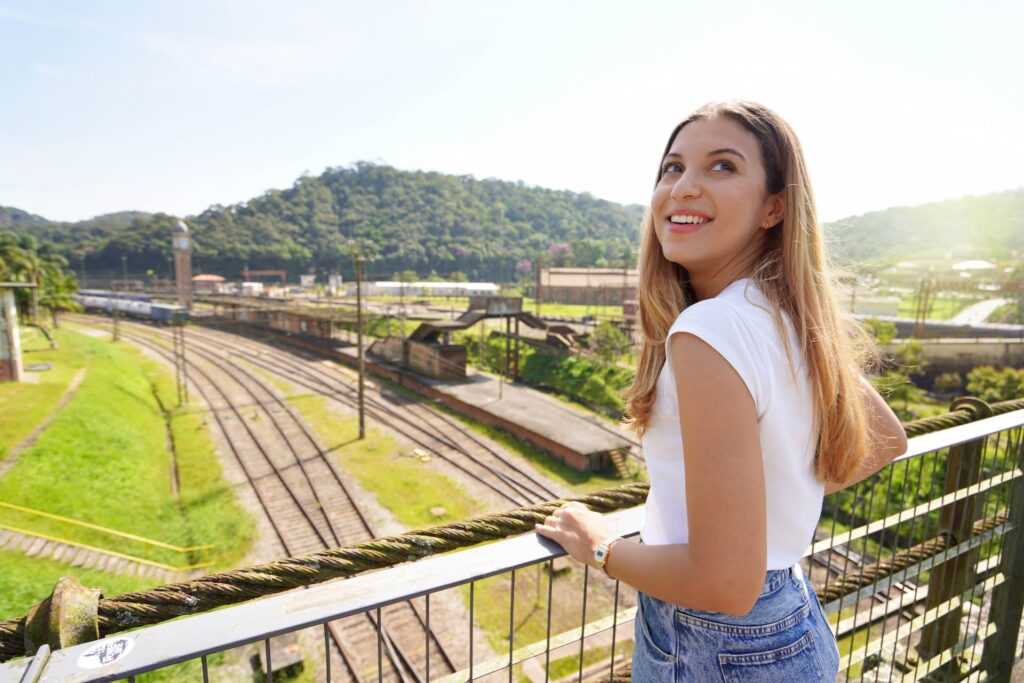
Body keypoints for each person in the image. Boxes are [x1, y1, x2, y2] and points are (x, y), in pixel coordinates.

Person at [535, 100, 909, 681]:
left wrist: (599, 548)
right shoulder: (786, 315)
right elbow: (886, 437)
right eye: (672, 168)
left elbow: (725, 585)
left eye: (722, 167)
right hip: (789, 621)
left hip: (715, 645)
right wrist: (768, 502)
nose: (683, 187)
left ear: (773, 207)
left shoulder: (707, 330)